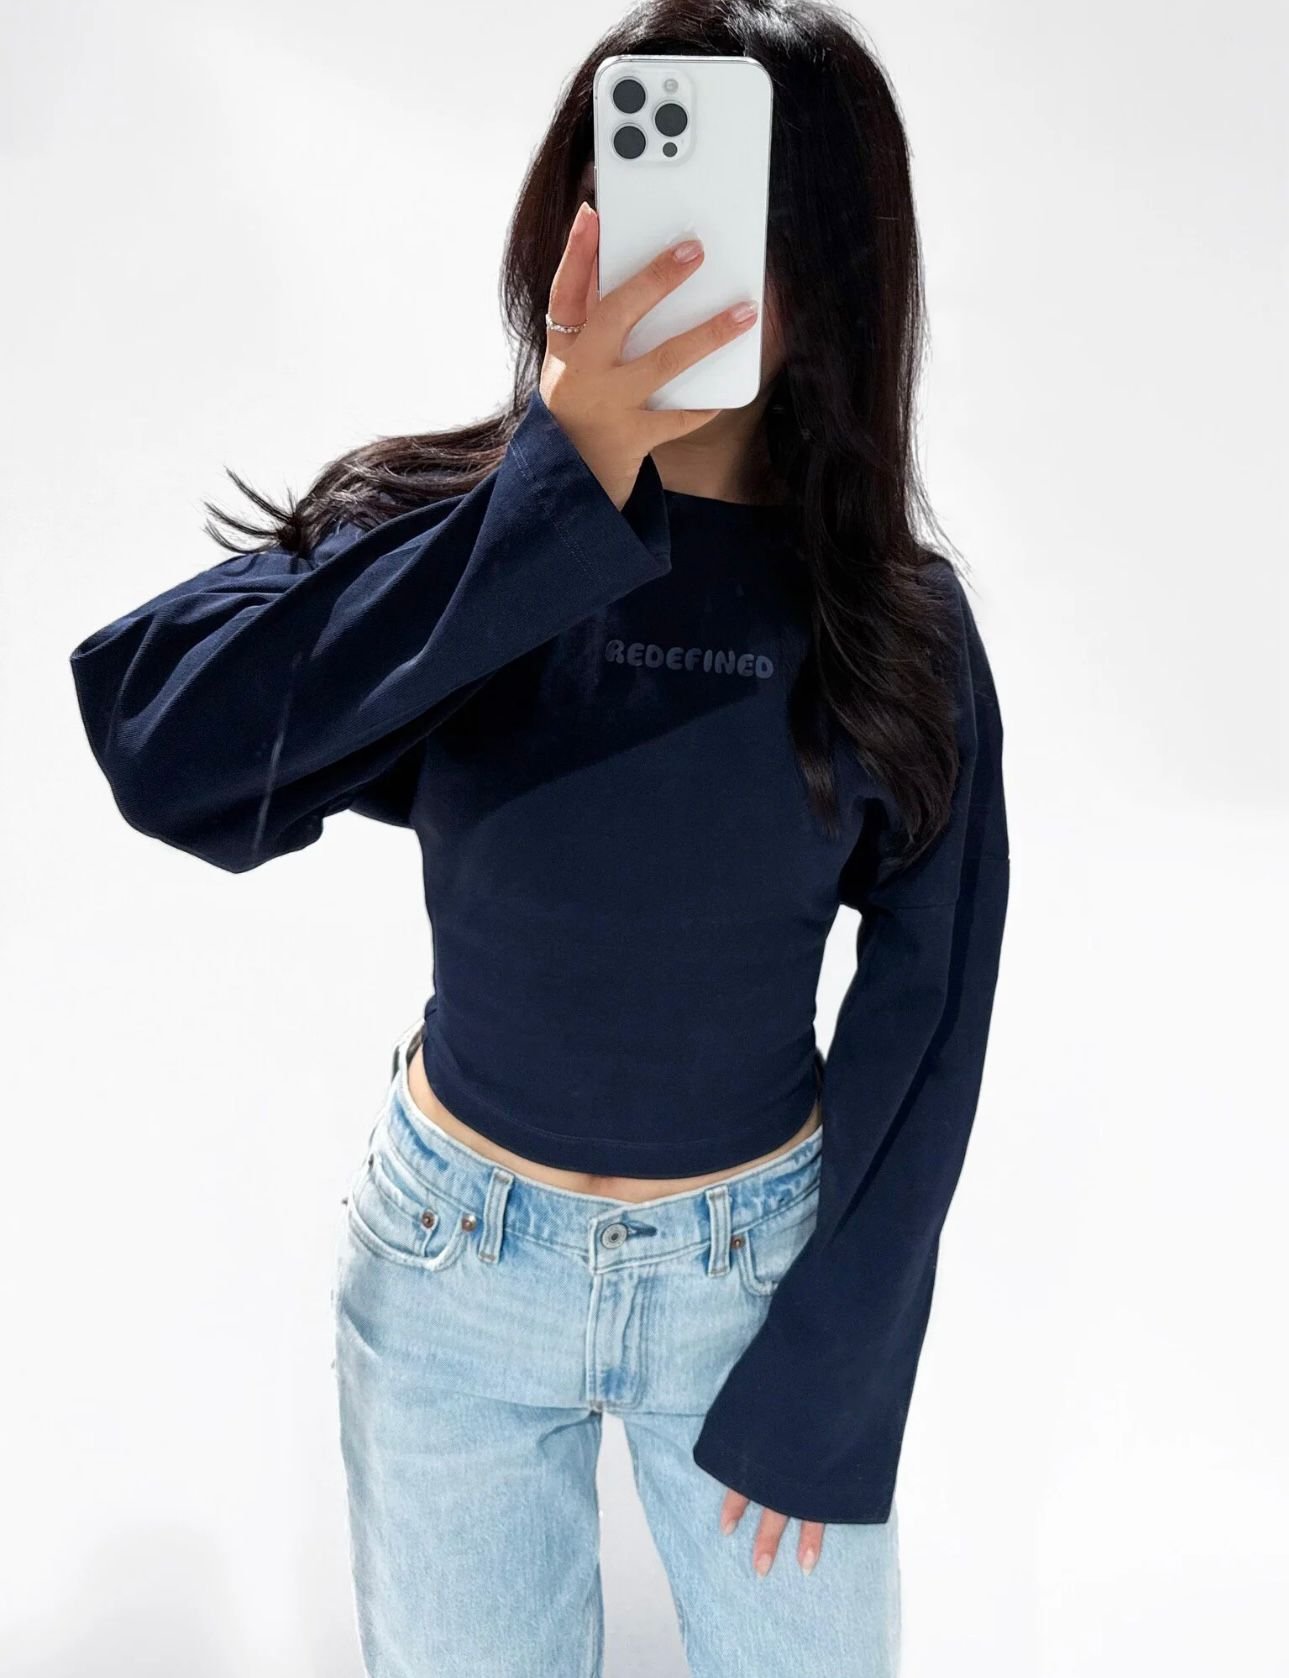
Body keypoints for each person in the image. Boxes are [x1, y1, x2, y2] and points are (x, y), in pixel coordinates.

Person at [68, 2, 1010, 1673]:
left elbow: (928, 1011)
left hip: (753, 1280)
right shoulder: (460, 546)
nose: (673, 252)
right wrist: (554, 481)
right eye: (635, 190)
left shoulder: (892, 626)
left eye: (740, 216)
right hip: (452, 1272)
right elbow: (164, 742)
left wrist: (838, 1368)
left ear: (830, 273)